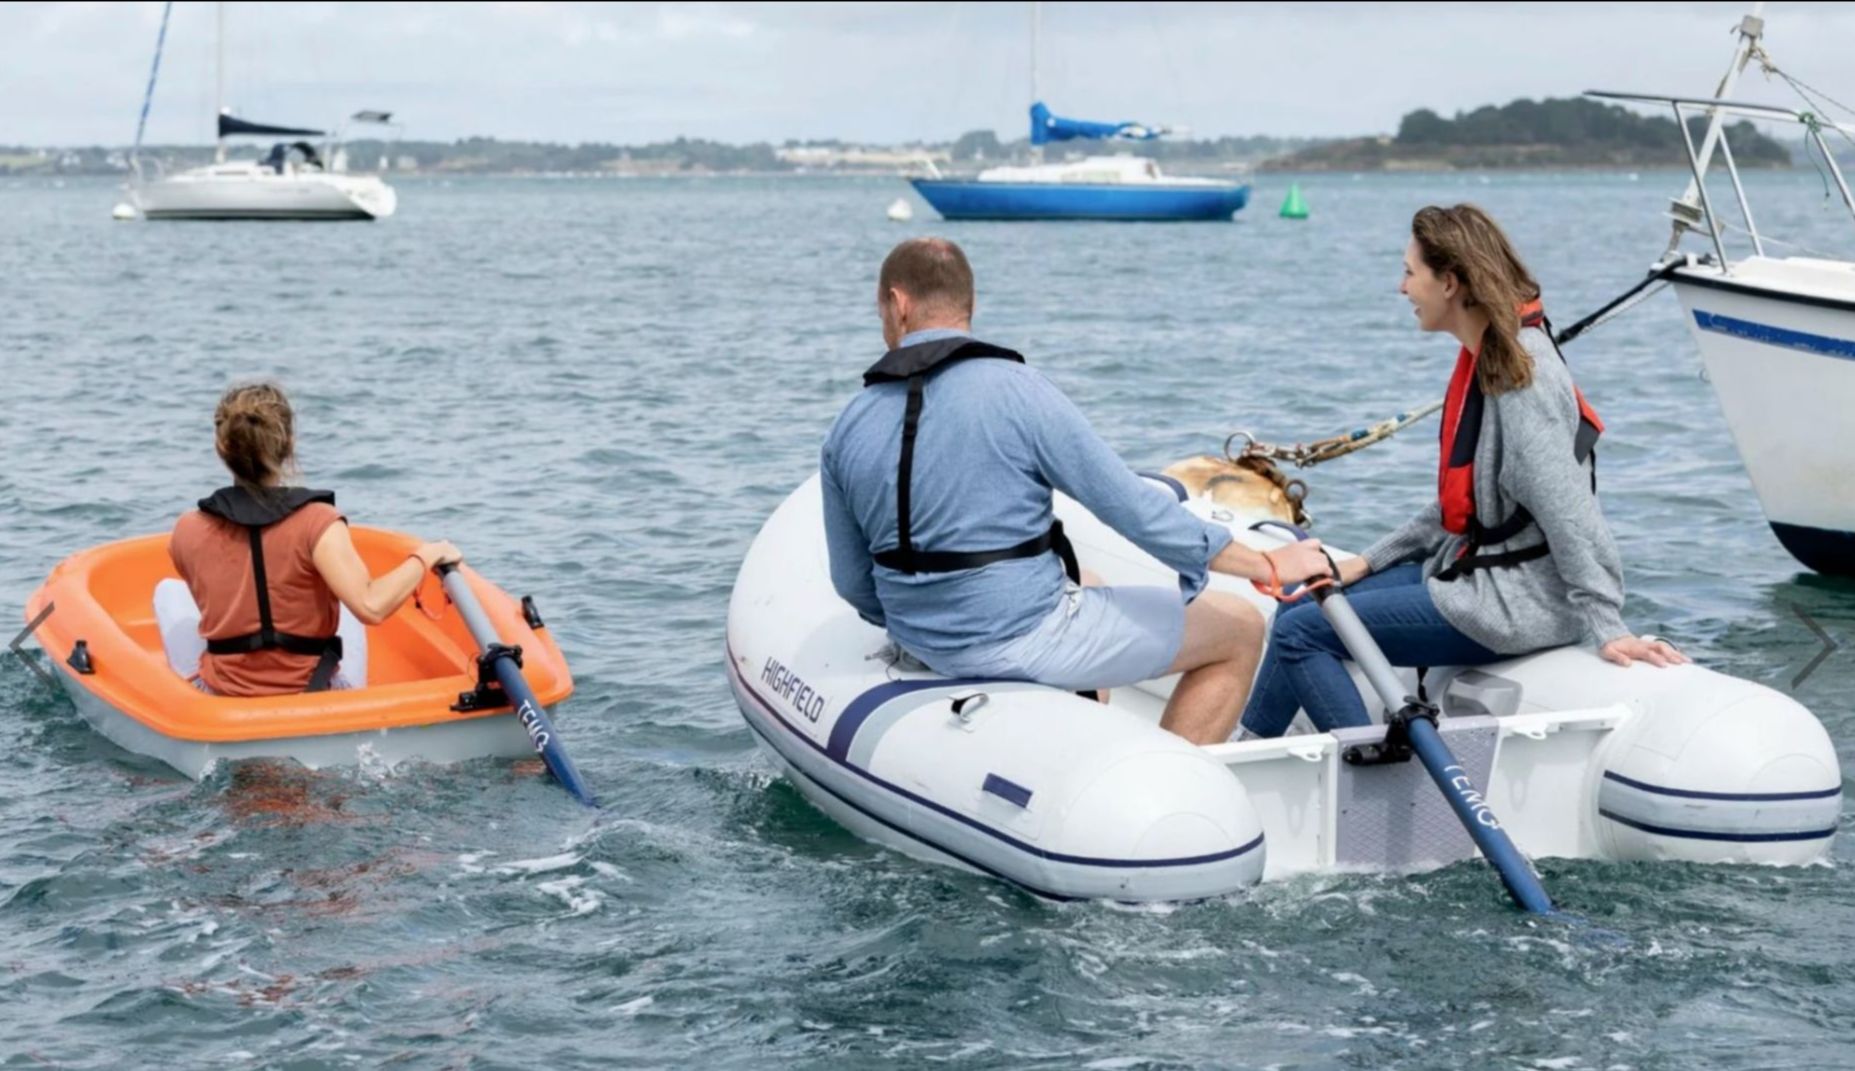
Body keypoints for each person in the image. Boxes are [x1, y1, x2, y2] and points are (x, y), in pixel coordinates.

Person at [821, 237, 1330, 745]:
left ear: (898, 303)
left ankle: (1078, 746)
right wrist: (1266, 565)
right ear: (969, 305)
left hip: (921, 642)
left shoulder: (848, 424)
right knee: (1239, 627)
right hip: (1018, 637)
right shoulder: (1019, 391)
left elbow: (852, 583)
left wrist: (930, 618)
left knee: (1085, 577)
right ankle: (1166, 790)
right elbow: (1131, 508)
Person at [1240, 204, 1687, 738]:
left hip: (1514, 603)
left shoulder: (1523, 382)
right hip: (1474, 571)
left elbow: (1571, 513)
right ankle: (1243, 759)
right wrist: (1367, 561)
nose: (1402, 287)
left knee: (1303, 635)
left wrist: (1607, 626)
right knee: (1296, 612)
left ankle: (1375, 782)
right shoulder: (1490, 358)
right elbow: (1465, 505)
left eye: (1410, 272)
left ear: (1449, 282)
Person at [155, 382, 462, 697]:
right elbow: (371, 607)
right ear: (289, 443)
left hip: (225, 695)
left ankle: (196, 692)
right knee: (346, 603)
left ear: (222, 448)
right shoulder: (319, 523)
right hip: (312, 693)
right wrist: (426, 556)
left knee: (167, 591)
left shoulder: (187, 529)